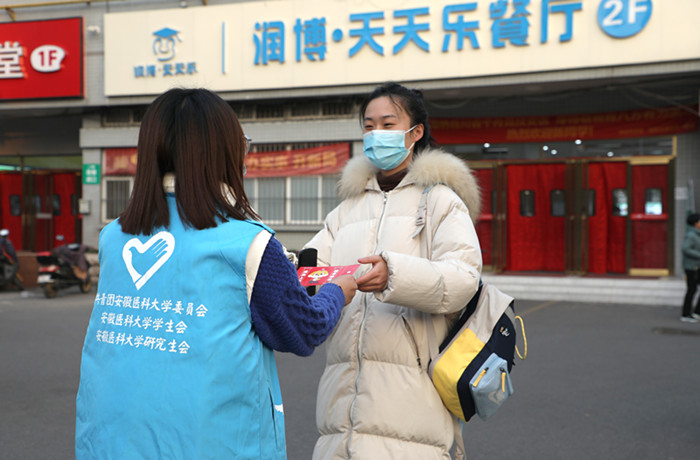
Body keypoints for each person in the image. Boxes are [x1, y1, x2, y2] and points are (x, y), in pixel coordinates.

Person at [74, 88, 357, 459]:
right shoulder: (246, 242)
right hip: (210, 441)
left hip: (112, 437)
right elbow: (302, 330)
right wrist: (338, 290)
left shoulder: (114, 236)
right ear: (223, 152)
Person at [304, 82, 482, 459]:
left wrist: (395, 274)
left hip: (413, 393)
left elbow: (463, 278)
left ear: (415, 133)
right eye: (369, 126)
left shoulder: (440, 201)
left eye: (388, 124)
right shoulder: (347, 209)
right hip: (340, 394)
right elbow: (311, 270)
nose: (376, 135)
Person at [681, 212, 700, 323]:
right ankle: (686, 314)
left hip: (697, 266)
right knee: (692, 289)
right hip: (692, 267)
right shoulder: (691, 235)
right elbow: (686, 249)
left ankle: (697, 312)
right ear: (695, 223)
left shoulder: (697, 234)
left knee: (693, 289)